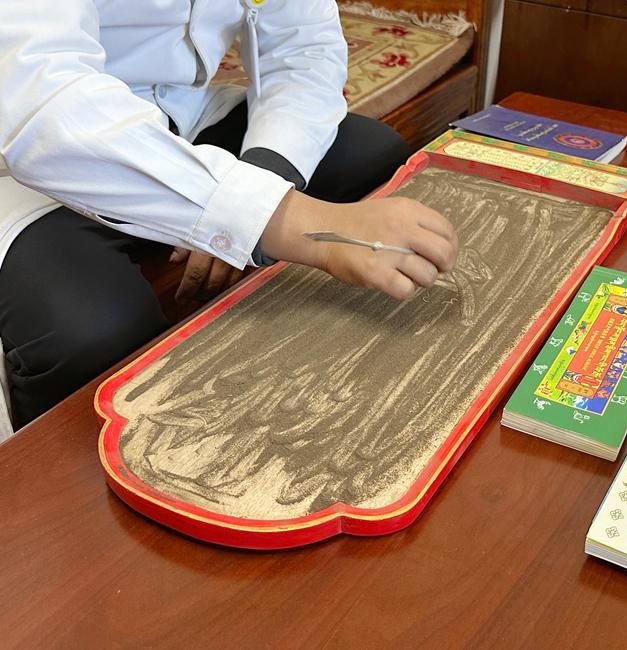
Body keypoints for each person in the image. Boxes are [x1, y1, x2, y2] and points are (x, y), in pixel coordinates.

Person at [0, 0, 460, 437]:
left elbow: (303, 47)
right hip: (30, 162)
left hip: (184, 114)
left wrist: (257, 185)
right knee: (96, 332)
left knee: (372, 153)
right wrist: (270, 220)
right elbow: (45, 106)